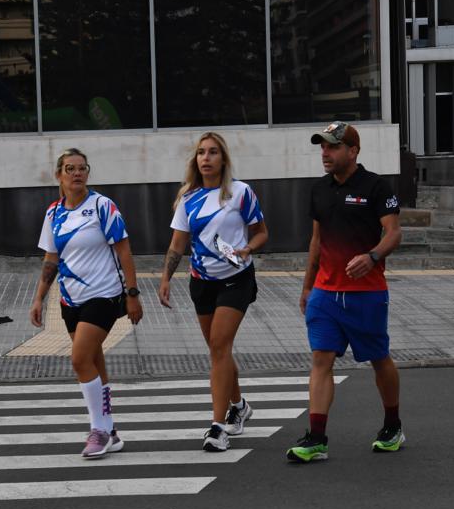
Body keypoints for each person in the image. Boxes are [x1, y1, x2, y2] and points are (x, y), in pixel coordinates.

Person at [287, 121, 404, 464]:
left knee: (378, 360)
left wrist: (372, 257)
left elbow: (394, 233)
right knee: (320, 360)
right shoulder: (319, 190)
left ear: (353, 151)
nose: (325, 153)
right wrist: (307, 286)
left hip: (365, 293)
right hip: (325, 292)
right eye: (322, 147)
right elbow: (316, 241)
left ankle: (393, 425)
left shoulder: (376, 187)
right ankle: (317, 437)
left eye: (333, 147)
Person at [157, 132, 268, 452]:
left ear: (223, 159)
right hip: (201, 282)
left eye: (213, 152)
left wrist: (247, 249)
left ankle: (217, 426)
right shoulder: (187, 198)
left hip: (236, 279)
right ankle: (239, 405)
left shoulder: (240, 192)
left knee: (219, 346)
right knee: (219, 351)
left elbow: (262, 233)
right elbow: (178, 244)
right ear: (196, 160)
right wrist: (165, 279)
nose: (206, 158)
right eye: (201, 153)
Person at [30, 148, 143, 459]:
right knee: (93, 361)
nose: (77, 173)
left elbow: (125, 252)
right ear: (59, 175)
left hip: (104, 295)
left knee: (80, 360)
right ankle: (111, 431)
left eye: (82, 168)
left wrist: (133, 295)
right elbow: (51, 259)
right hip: (70, 300)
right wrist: (39, 297)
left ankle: (99, 430)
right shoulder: (53, 213)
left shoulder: (103, 206)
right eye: (70, 169)